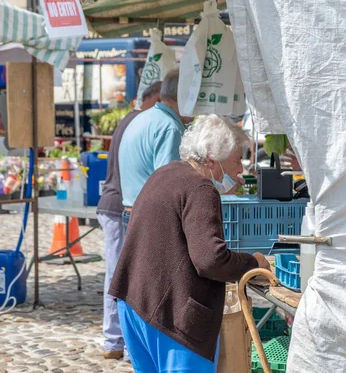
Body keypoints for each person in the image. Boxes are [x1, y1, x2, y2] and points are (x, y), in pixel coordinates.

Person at [109, 115, 270, 373]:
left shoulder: (166, 173)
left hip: (135, 302)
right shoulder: (200, 188)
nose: (241, 169)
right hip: (171, 316)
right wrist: (254, 263)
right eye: (237, 159)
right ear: (211, 158)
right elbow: (211, 260)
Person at [96, 81, 162, 360]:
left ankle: (117, 340)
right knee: (118, 274)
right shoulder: (140, 121)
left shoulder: (131, 120)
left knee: (120, 273)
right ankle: (113, 340)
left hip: (117, 205)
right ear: (152, 99)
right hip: (118, 206)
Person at [118, 69, 191, 233]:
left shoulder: (146, 117)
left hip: (134, 211)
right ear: (184, 96)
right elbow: (168, 184)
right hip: (150, 217)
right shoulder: (169, 126)